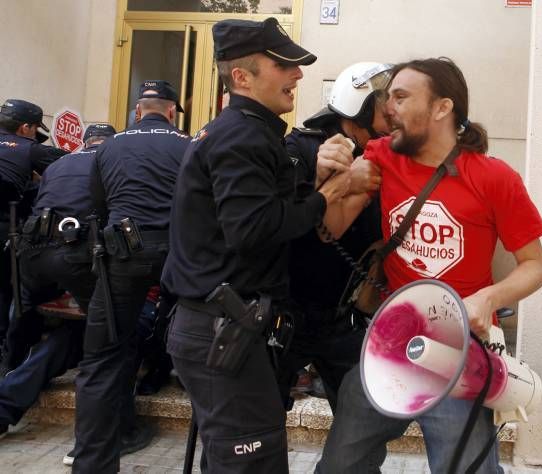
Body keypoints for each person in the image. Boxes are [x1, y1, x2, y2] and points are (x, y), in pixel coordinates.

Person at [317, 58, 542, 473]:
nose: (388, 107)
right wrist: (334, 179)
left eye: (401, 97)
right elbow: (332, 228)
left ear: (443, 108)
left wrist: (487, 298)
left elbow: (535, 267)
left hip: (459, 354)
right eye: (388, 97)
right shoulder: (382, 156)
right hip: (388, 344)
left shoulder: (495, 178)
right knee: (340, 464)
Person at [162, 17, 350, 473]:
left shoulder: (248, 130)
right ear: (242, 77)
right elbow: (253, 229)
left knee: (235, 458)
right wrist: (326, 197)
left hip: (223, 326)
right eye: (284, 66)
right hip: (222, 328)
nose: (298, 75)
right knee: (252, 461)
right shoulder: (242, 135)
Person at [71, 82, 190, 473]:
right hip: (178, 257)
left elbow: (97, 204)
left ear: (139, 110)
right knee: (198, 350)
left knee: (102, 357)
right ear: (171, 111)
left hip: (121, 253)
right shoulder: (188, 144)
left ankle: (92, 463)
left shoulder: (108, 146)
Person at [279, 61, 392, 411]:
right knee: (259, 422)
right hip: (285, 317)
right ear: (360, 110)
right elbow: (277, 218)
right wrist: (325, 178)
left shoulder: (389, 156)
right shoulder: (298, 149)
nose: (394, 111)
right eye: (386, 102)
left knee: (359, 421)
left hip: (344, 319)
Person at [0, 124, 116, 377]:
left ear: (85, 142)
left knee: (25, 302)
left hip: (34, 248)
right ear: (112, 144)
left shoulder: (57, 165)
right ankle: (97, 370)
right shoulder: (111, 164)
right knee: (104, 313)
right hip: (78, 251)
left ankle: (11, 363)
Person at [0, 99, 66, 351]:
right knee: (10, 288)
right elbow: (75, 166)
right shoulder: (30, 148)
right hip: (7, 228)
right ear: (26, 128)